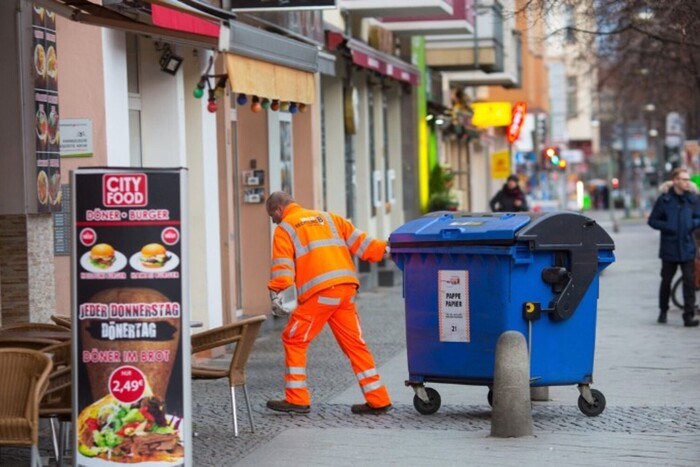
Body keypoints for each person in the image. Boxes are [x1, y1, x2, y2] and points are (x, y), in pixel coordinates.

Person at [264, 191, 392, 414]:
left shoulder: (285, 227)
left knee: (293, 338)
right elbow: (365, 245)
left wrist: (276, 291)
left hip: (320, 293)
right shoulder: (330, 218)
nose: (273, 221)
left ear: (278, 209)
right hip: (346, 290)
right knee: (355, 345)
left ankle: (297, 398)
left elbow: (283, 267)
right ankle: (378, 399)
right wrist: (389, 249)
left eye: (272, 216)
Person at [648, 168, 700, 327]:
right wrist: (668, 226)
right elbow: (652, 221)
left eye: (688, 179)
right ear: (675, 180)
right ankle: (663, 310)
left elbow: (698, 217)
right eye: (683, 179)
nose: (687, 182)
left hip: (687, 245)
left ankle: (688, 315)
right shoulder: (664, 200)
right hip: (669, 247)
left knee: (689, 282)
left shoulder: (693, 199)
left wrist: (691, 224)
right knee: (666, 281)